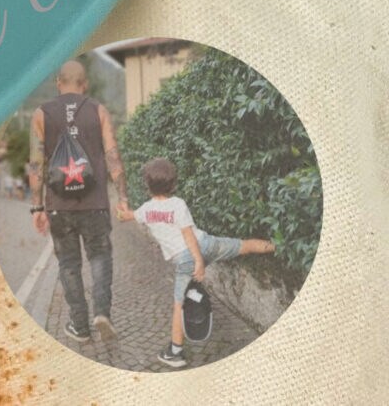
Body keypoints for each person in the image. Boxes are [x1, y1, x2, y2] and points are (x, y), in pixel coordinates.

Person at [133, 156, 277, 369]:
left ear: (147, 185)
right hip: (207, 244)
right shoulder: (178, 204)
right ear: (173, 183)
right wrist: (200, 259)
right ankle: (280, 247)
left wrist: (199, 263)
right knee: (243, 246)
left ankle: (175, 352)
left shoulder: (145, 210)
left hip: (188, 259)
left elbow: (186, 236)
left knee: (178, 305)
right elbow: (191, 235)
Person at [30, 58, 128, 344]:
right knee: (100, 256)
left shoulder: (40, 114)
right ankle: (102, 313)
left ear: (58, 83)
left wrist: (37, 207)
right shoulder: (98, 110)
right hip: (95, 202)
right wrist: (122, 197)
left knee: (69, 264)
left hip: (59, 206)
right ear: (85, 84)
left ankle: (80, 326)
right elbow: (113, 156)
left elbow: (35, 165)